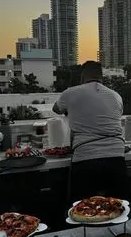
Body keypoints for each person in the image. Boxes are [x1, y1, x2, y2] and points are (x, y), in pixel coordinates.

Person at [53, 61, 125, 201]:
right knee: (117, 206)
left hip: (86, 160)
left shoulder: (70, 92)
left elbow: (56, 109)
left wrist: (72, 110)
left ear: (82, 76)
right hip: (116, 159)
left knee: (83, 208)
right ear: (101, 76)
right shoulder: (116, 96)